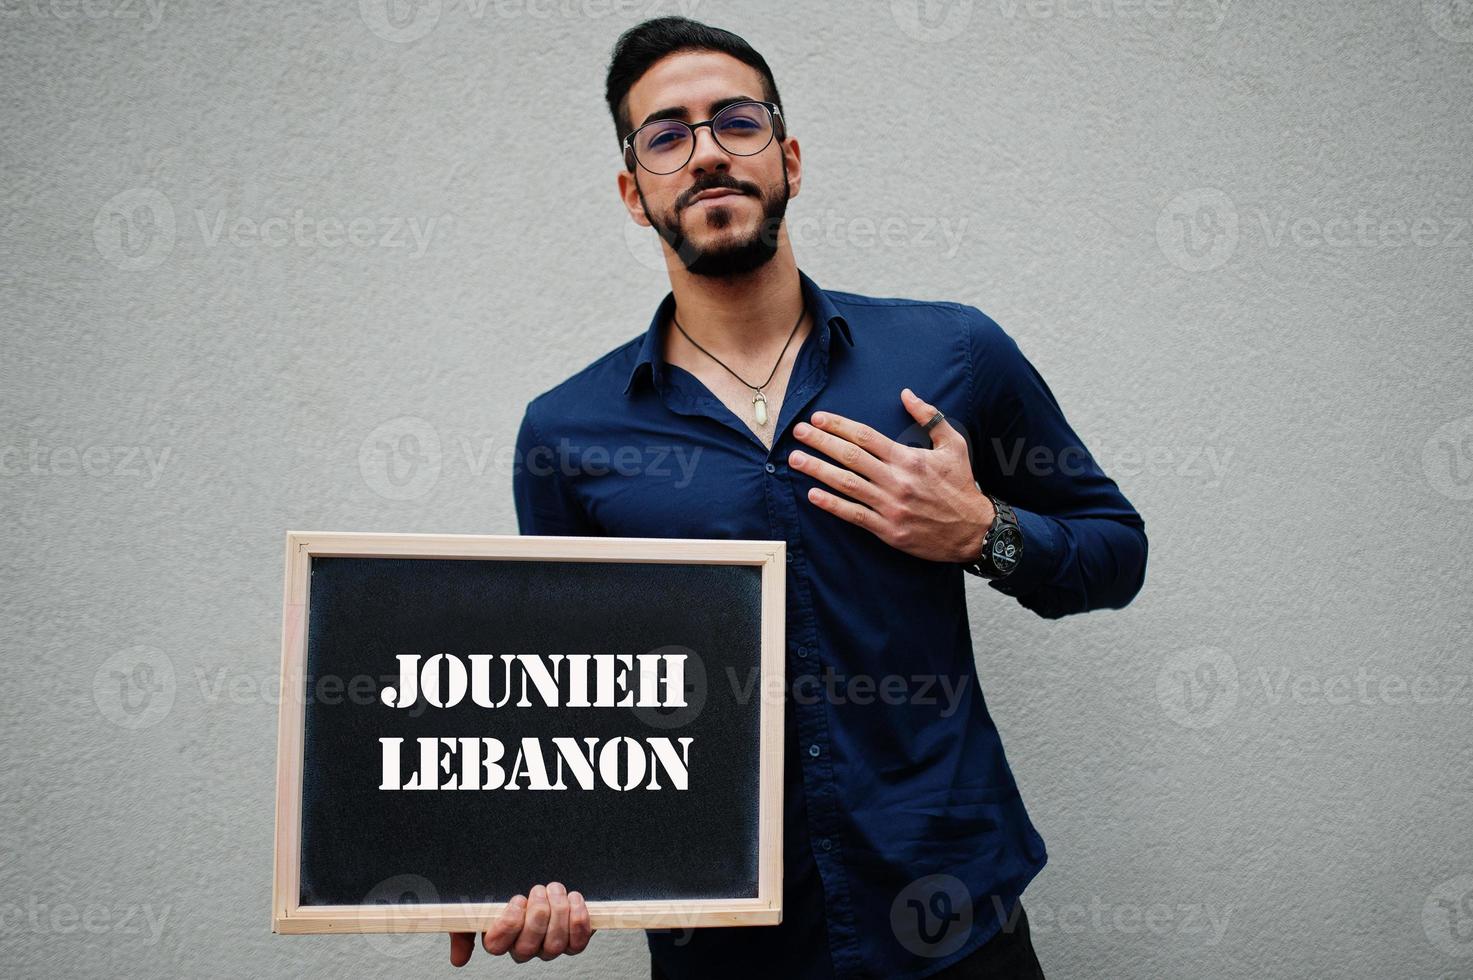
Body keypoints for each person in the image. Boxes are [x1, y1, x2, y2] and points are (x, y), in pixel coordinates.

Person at [451, 16, 1147, 978]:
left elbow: (1115, 554)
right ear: (632, 191)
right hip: (724, 950)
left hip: (954, 936)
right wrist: (534, 873)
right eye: (665, 136)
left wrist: (980, 533)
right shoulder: (568, 435)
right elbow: (568, 711)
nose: (705, 155)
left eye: (734, 122)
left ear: (787, 158)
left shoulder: (950, 353)